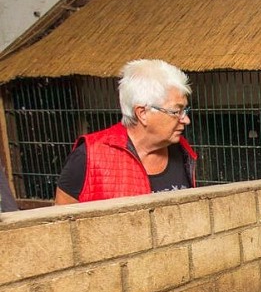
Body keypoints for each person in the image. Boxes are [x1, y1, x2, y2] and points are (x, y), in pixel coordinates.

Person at [54, 59, 197, 205]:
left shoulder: (182, 151)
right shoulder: (88, 155)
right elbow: (62, 221)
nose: (186, 120)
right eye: (176, 111)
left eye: (184, 110)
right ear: (142, 113)